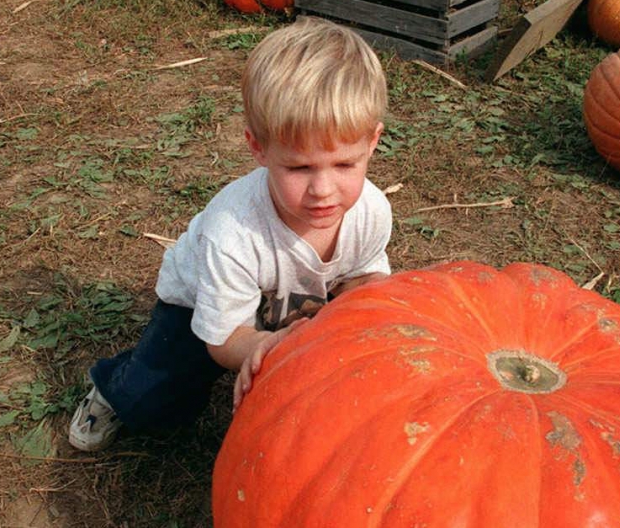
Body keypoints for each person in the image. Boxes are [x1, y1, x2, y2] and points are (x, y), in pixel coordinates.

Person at [68, 17, 393, 451]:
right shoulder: (234, 229)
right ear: (258, 147)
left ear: (373, 142)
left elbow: (366, 280)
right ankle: (113, 386)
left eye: (344, 165)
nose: (323, 190)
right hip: (202, 310)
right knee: (156, 405)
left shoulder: (370, 211)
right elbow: (224, 340)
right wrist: (269, 346)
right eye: (299, 168)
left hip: (288, 306)